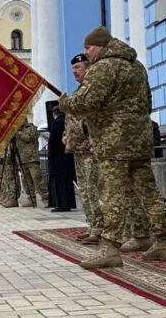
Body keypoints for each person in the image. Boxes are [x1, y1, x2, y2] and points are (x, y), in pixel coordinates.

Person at [59, 26, 166, 268]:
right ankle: (163, 242)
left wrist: (65, 103)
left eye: (88, 48)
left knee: (111, 193)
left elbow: (87, 102)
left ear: (99, 46)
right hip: (140, 138)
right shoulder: (137, 66)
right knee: (149, 192)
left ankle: (110, 248)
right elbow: (148, 101)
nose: (86, 53)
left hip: (113, 141)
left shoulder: (103, 67)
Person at [65, 55, 102, 244]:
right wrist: (67, 134)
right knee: (85, 191)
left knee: (93, 189)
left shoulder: (93, 90)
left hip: (90, 148)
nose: (74, 72)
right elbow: (71, 117)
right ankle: (92, 226)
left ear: (88, 68)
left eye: (78, 67)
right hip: (78, 148)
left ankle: (100, 228)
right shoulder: (78, 91)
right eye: (73, 69)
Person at [47, 107, 76, 212]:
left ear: (54, 113)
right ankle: (66, 204)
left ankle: (62, 204)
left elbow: (53, 142)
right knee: (66, 181)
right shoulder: (66, 121)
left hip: (57, 158)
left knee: (59, 183)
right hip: (65, 157)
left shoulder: (57, 123)